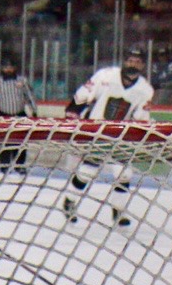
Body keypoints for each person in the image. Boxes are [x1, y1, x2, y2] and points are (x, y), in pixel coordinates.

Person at [59, 47, 156, 227]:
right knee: (88, 171)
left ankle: (118, 211)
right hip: (97, 131)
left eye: (137, 62)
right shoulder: (106, 76)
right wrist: (72, 115)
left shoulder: (145, 89)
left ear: (143, 65)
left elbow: (141, 118)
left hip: (120, 136)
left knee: (124, 173)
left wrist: (141, 133)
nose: (133, 64)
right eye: (130, 60)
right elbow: (82, 96)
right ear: (124, 61)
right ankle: (69, 201)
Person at [0, 54, 37, 174]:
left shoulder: (21, 81)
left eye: (10, 67)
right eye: (6, 67)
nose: (8, 70)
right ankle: (4, 165)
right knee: (5, 141)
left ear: (15, 68)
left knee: (20, 142)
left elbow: (29, 95)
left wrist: (33, 110)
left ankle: (19, 165)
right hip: (4, 115)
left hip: (19, 114)